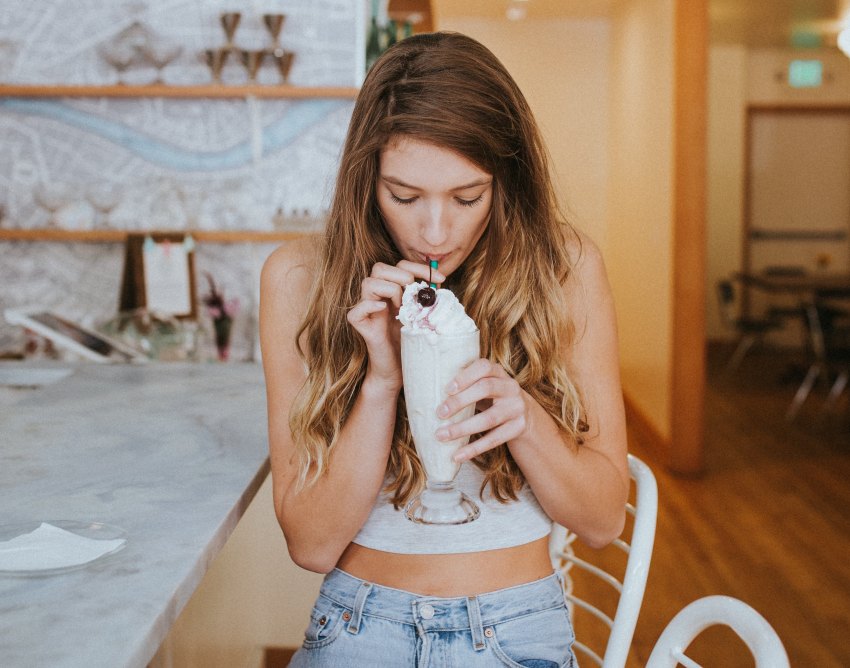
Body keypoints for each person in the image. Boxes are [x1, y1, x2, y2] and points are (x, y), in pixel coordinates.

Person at [260, 31, 628, 667]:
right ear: (364, 182)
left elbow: (600, 522)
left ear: (505, 183)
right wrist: (381, 380)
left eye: (467, 198)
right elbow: (312, 546)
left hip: (517, 630)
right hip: (358, 627)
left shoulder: (563, 270)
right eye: (403, 196)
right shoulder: (299, 280)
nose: (434, 233)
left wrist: (524, 419)